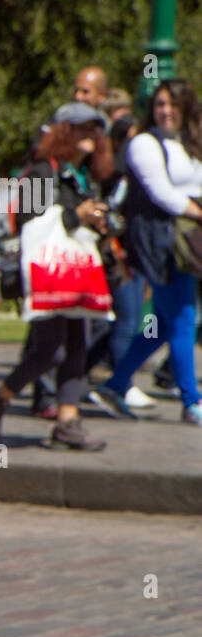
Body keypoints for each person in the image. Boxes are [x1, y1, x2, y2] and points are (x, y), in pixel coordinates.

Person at [0, 105, 113, 451]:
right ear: (63, 132)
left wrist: (100, 220)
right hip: (45, 274)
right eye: (82, 129)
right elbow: (27, 221)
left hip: (72, 272)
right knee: (50, 351)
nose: (90, 137)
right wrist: (74, 215)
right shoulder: (41, 171)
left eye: (95, 131)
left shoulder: (82, 177)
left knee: (77, 349)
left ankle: (68, 423)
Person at [95, 78, 202, 425]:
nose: (166, 111)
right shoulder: (144, 143)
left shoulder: (190, 142)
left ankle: (114, 384)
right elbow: (162, 193)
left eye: (173, 104)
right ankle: (192, 401)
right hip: (162, 243)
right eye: (160, 104)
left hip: (189, 244)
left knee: (161, 325)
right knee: (183, 319)